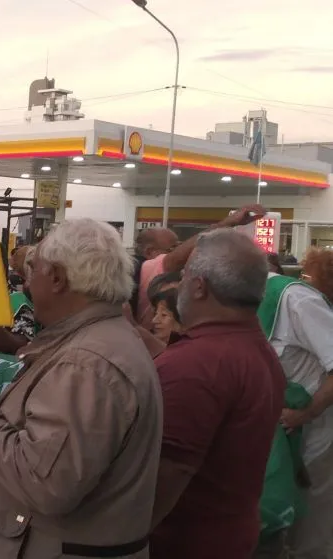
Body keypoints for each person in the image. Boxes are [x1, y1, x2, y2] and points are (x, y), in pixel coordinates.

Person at [0, 218, 162, 558]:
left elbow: (45, 484)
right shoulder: (99, 341)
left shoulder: (86, 363)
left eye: (34, 268)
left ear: (58, 278)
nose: (28, 281)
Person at [149, 229, 285, 559]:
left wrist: (120, 535)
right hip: (232, 534)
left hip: (183, 544)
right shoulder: (257, 351)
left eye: (184, 276)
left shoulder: (197, 364)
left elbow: (166, 477)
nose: (178, 283)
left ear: (199, 287)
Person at [258, 246, 333, 558]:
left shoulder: (296, 300)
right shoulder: (238, 301)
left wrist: (308, 412)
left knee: (311, 523)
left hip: (313, 432)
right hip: (275, 438)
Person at [134, 204, 264, 329]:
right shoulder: (148, 268)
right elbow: (177, 258)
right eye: (173, 248)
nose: (181, 252)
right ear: (150, 252)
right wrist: (227, 223)